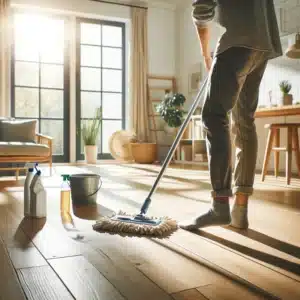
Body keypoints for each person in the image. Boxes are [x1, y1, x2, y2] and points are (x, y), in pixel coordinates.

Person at [179, 0, 282, 230]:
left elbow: (202, 9)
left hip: (236, 41)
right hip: (263, 42)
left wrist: (205, 53)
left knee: (214, 116)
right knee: (244, 122)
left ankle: (220, 206)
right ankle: (240, 211)